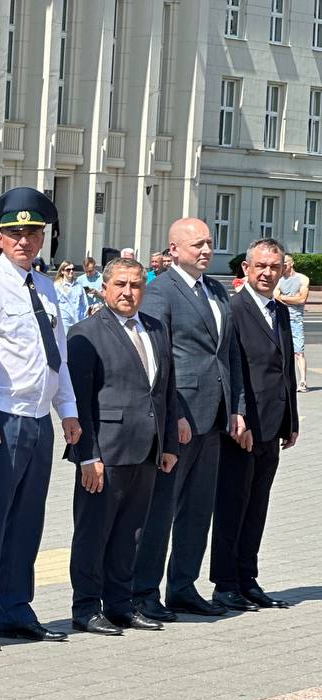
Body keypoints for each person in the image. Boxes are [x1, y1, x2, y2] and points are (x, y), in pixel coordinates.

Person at [0, 188, 81, 651]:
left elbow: (58, 357)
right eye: (14, 233)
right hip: (1, 418)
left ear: (42, 238)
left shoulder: (45, 287)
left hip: (37, 418)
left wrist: (67, 410)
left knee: (28, 520)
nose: (24, 241)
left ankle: (14, 609)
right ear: (0, 238)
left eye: (32, 233)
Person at [132, 218, 247, 622]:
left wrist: (237, 407)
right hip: (179, 417)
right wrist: (173, 412)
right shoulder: (160, 291)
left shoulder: (216, 290)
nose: (205, 250)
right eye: (197, 243)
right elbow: (156, 358)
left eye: (209, 242)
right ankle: (143, 592)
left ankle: (183, 587)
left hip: (214, 417)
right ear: (174, 249)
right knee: (160, 509)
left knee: (198, 510)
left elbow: (228, 355)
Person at [66, 258, 179, 635]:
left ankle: (120, 605)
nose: (128, 292)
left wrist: (166, 443)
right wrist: (88, 455)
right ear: (104, 287)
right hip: (106, 452)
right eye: (121, 285)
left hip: (146, 448)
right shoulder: (86, 332)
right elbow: (79, 402)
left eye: (135, 285)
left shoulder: (155, 328)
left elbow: (165, 389)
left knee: (131, 532)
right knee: (93, 532)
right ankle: (85, 607)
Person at [210, 238, 300, 612]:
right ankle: (225, 583)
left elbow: (283, 369)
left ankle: (248, 577)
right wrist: (238, 417)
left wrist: (291, 419)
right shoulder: (234, 309)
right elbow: (230, 369)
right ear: (245, 269)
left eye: (274, 267)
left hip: (273, 424)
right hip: (243, 427)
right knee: (233, 504)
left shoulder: (278, 310)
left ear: (282, 270)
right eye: (260, 266)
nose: (267, 273)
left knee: (257, 505)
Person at [275, 255, 309, 392]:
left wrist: (283, 297)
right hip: (281, 318)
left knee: (298, 352)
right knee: (279, 351)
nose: (283, 266)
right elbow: (275, 297)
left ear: (292, 263)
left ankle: (303, 381)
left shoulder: (302, 278)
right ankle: (282, 381)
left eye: (285, 263)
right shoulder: (278, 280)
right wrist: (291, 299)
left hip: (296, 320)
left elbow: (302, 300)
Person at [54, 260, 89, 330]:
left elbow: (85, 304)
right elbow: (53, 304)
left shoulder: (79, 286)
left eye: (73, 269)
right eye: (68, 270)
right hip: (64, 321)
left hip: (77, 320)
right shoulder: (57, 286)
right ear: (62, 271)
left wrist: (85, 319)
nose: (71, 271)